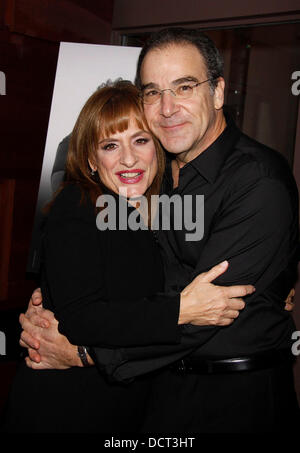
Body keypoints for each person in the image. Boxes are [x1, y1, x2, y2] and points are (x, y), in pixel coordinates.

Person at [19, 28, 299, 432]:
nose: (167, 108)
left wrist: (84, 353)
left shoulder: (257, 182)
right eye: (152, 92)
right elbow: (151, 277)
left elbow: (202, 315)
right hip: (154, 394)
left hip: (233, 400)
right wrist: (64, 293)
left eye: (184, 87)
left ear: (218, 93)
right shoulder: (153, 179)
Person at [2, 80, 252, 433]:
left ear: (158, 148)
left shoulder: (158, 212)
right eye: (110, 145)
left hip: (130, 407)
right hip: (68, 410)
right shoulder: (78, 206)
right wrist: (181, 309)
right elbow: (83, 318)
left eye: (140, 140)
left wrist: (274, 286)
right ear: (91, 158)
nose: (129, 159)